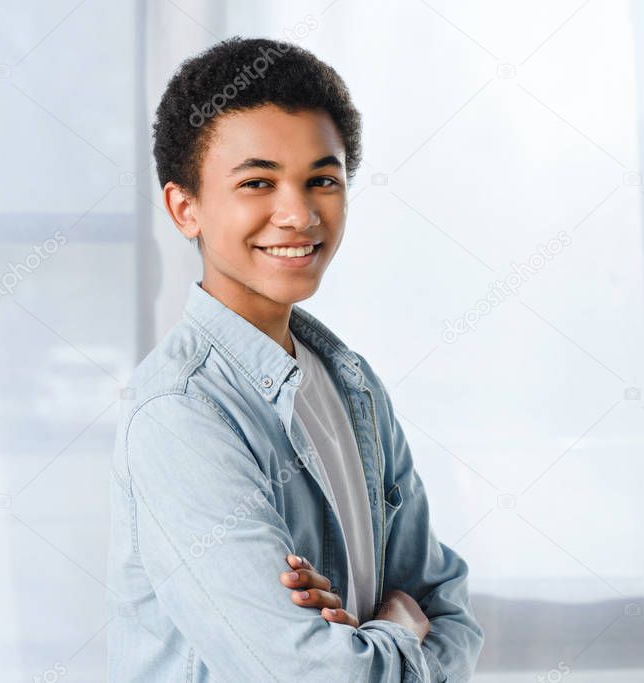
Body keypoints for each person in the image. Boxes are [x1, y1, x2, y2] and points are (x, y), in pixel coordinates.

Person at [106, 36, 483, 682]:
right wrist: (396, 626)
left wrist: (372, 641)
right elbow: (314, 674)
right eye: (258, 182)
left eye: (322, 180)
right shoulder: (180, 415)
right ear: (184, 207)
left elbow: (451, 612)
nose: (298, 213)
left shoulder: (350, 382)